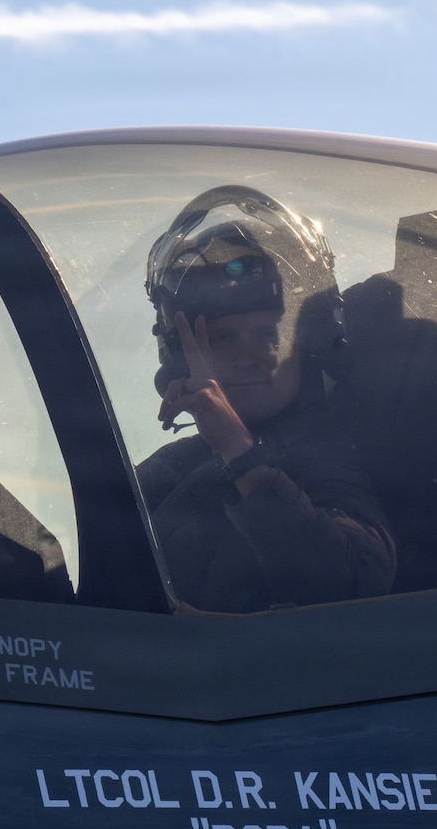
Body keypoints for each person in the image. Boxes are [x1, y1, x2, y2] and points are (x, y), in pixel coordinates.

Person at [134, 186, 396, 612]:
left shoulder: (341, 454)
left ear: (310, 348)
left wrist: (241, 454)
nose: (248, 356)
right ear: (180, 357)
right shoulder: (166, 475)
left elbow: (357, 579)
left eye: (268, 335)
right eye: (221, 338)